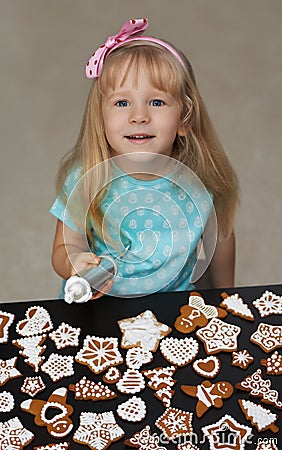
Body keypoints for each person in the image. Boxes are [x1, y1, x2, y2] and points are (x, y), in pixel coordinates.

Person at [50, 18, 239, 300]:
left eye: (157, 102)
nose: (139, 116)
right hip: (101, 306)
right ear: (100, 119)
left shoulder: (202, 183)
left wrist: (227, 295)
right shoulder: (85, 178)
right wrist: (74, 262)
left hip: (174, 304)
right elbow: (63, 249)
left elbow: (221, 239)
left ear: (184, 119)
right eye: (122, 103)